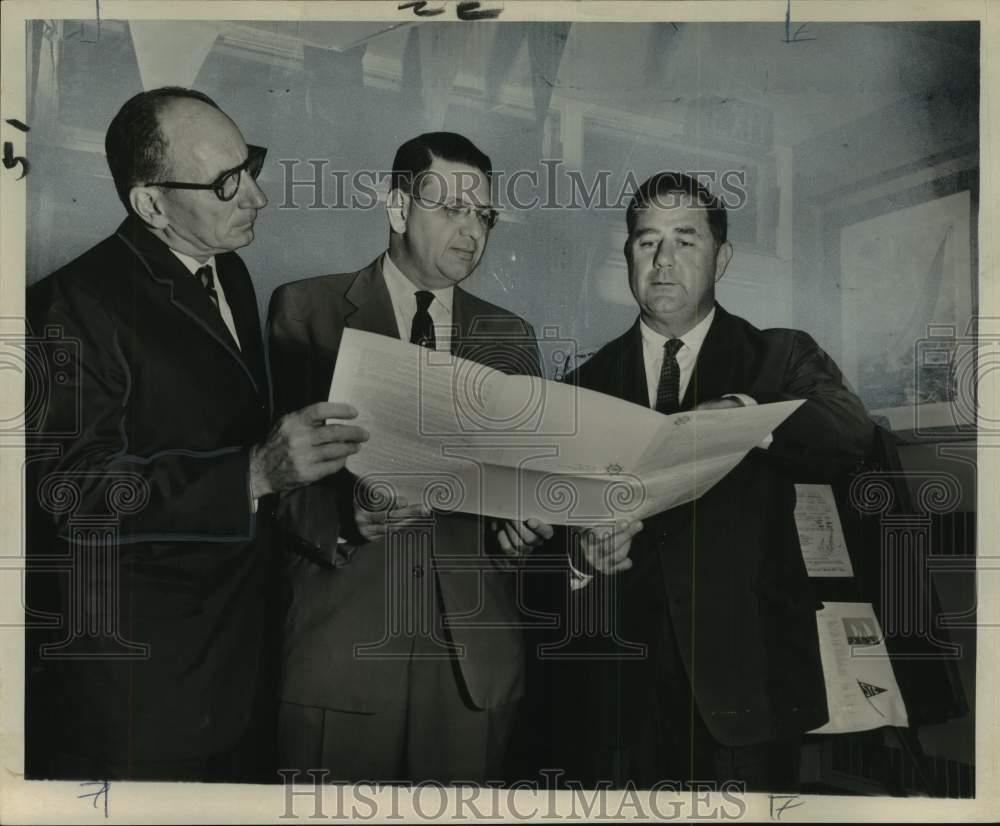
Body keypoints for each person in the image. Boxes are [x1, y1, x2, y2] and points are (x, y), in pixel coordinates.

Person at [25, 87, 367, 782]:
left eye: (251, 166)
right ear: (150, 205)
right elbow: (73, 493)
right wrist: (251, 475)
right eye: (225, 183)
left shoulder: (228, 272)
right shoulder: (72, 303)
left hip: (236, 667)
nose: (258, 197)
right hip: (144, 690)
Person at [554, 172, 875, 791]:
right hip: (619, 697)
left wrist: (744, 412)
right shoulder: (581, 385)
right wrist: (581, 558)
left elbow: (849, 434)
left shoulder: (779, 357)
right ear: (627, 256)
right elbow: (548, 540)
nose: (664, 261)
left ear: (721, 257)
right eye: (646, 242)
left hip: (749, 686)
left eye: (685, 240)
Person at [268, 131, 550, 783]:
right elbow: (271, 478)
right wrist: (346, 519)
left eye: (482, 215)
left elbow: (524, 492)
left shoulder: (510, 337)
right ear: (397, 209)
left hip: (471, 672)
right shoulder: (305, 310)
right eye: (450, 207)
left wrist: (524, 532)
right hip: (340, 660)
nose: (471, 230)